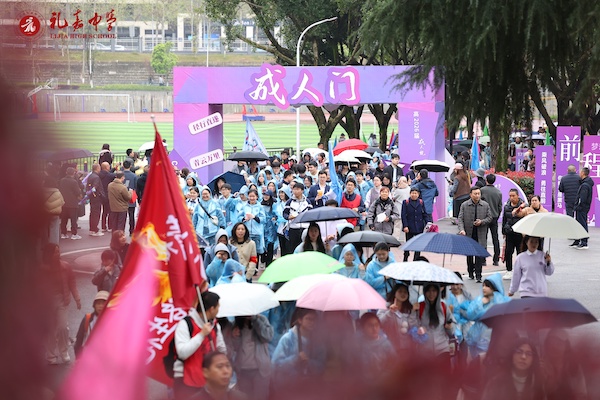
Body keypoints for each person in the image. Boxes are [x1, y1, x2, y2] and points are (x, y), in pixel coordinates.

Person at [173, 291, 227, 399]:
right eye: (218, 307)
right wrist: (202, 335)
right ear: (211, 309)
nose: (218, 311)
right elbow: (182, 353)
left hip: (209, 381)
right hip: (186, 382)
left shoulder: (215, 326)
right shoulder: (185, 324)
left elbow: (222, 349)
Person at [41, 243, 81, 365]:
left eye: (58, 251)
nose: (57, 254)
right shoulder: (41, 269)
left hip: (61, 300)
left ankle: (64, 351)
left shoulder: (65, 267)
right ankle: (51, 354)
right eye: (55, 252)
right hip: (46, 303)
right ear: (49, 254)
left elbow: (72, 283)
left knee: (63, 327)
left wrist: (77, 298)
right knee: (51, 329)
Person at [271, 308, 324, 388]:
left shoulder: (318, 341)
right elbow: (276, 365)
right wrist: (294, 359)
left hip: (311, 386)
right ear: (300, 320)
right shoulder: (288, 339)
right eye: (309, 319)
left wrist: (309, 362)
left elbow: (322, 365)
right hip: (289, 387)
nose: (312, 322)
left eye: (314, 319)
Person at [464, 273, 509, 359]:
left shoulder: (502, 301)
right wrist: (480, 303)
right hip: (478, 339)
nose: (484, 288)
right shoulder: (479, 299)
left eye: (487, 286)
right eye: (483, 285)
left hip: (493, 338)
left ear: (494, 287)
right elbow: (470, 315)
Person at [231, 315, 274, 400]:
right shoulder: (236, 324)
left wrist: (255, 320)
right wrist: (235, 337)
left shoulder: (261, 319)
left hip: (260, 370)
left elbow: (268, 336)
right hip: (243, 370)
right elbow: (235, 348)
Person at [458, 187, 492, 282]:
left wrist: (482, 221)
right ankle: (470, 272)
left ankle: (478, 275)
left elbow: (490, 218)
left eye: (478, 193)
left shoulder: (485, 205)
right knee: (469, 255)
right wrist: (462, 229)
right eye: (475, 194)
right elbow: (460, 219)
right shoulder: (464, 205)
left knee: (479, 255)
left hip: (480, 234)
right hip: (469, 233)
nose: (477, 195)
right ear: (470, 194)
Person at [541, 329, 588, 399]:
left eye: (559, 343)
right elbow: (538, 394)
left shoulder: (574, 366)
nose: (554, 347)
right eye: (551, 343)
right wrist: (550, 380)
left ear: (566, 347)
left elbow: (581, 393)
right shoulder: (541, 367)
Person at [416, 283, 454, 367]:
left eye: (434, 290)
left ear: (438, 292)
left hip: (443, 350)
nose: (431, 294)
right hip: (424, 352)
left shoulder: (443, 306)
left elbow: (451, 331)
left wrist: (449, 327)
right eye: (428, 291)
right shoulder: (420, 307)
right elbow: (413, 326)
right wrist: (412, 311)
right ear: (424, 292)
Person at [378, 283, 418, 354]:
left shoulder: (409, 309)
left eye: (405, 292)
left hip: (406, 348)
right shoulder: (386, 306)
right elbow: (379, 322)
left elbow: (413, 326)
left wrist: (413, 312)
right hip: (389, 347)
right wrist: (390, 312)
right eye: (400, 291)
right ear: (394, 293)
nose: (403, 294)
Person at [358, 312, 395, 378]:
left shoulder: (386, 344)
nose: (374, 329)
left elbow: (393, 364)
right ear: (363, 328)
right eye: (370, 326)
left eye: (377, 325)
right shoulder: (358, 345)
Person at [74, 290, 109, 358]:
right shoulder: (87, 319)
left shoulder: (113, 320)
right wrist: (78, 358)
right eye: (98, 303)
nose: (100, 306)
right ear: (94, 305)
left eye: (103, 303)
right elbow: (79, 339)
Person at [501, 189, 526, 280]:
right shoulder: (506, 206)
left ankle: (521, 271)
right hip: (509, 233)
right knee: (508, 252)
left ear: (518, 196)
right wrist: (504, 231)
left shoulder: (523, 206)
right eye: (510, 196)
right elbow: (504, 220)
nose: (511, 198)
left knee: (520, 253)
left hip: (520, 234)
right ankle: (509, 270)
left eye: (513, 196)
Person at [480, 174, 503, 266]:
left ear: (486, 180)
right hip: (494, 217)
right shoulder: (498, 192)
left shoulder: (482, 190)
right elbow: (500, 206)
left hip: (484, 217)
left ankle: (483, 260)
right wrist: (497, 214)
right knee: (495, 238)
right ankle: (496, 259)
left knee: (483, 238)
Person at [283, 183, 312, 252]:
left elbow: (311, 213)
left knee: (305, 247)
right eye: (294, 189)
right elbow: (285, 213)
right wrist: (288, 217)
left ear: (302, 190)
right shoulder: (290, 202)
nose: (295, 191)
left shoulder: (307, 201)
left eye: (297, 189)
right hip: (293, 228)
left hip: (305, 228)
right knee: (292, 247)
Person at [401, 187, 427, 261]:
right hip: (409, 227)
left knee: (418, 245)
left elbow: (424, 214)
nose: (414, 195)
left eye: (416, 193)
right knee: (408, 244)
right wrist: (405, 226)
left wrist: (428, 223)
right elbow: (403, 215)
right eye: (412, 193)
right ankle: (405, 258)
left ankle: (416, 259)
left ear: (418, 194)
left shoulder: (421, 202)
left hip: (419, 227)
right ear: (410, 194)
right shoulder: (406, 202)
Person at [240, 189, 266, 257]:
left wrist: (254, 217)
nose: (251, 198)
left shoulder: (260, 207)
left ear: (257, 197)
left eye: (253, 196)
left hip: (257, 233)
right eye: (250, 196)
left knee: (256, 253)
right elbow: (239, 217)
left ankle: (256, 264)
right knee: (247, 253)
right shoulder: (244, 206)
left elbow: (263, 219)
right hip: (247, 232)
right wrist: (244, 219)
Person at [59, 166, 83, 240]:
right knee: (73, 219)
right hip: (72, 203)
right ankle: (74, 234)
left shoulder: (62, 180)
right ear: (73, 173)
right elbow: (77, 192)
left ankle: (63, 233)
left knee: (64, 219)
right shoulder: (74, 182)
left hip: (64, 202)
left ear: (66, 172)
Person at [572, 167, 593, 250]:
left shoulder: (585, 185)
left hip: (581, 208)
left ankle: (584, 242)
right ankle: (578, 241)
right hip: (583, 208)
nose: (579, 173)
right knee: (580, 223)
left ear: (583, 173)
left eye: (580, 172)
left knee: (582, 224)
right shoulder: (585, 183)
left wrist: (578, 206)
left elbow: (582, 198)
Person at [86, 163, 105, 236]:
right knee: (96, 214)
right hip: (96, 197)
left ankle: (92, 229)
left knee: (92, 213)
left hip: (92, 197)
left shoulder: (90, 176)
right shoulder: (96, 177)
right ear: (97, 168)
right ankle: (95, 229)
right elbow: (95, 187)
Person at [99, 162, 115, 232]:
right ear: (106, 167)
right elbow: (112, 175)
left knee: (104, 212)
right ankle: (110, 226)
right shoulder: (109, 176)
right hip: (108, 195)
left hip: (102, 195)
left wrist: (114, 169)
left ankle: (103, 226)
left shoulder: (99, 174)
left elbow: (108, 173)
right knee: (110, 211)